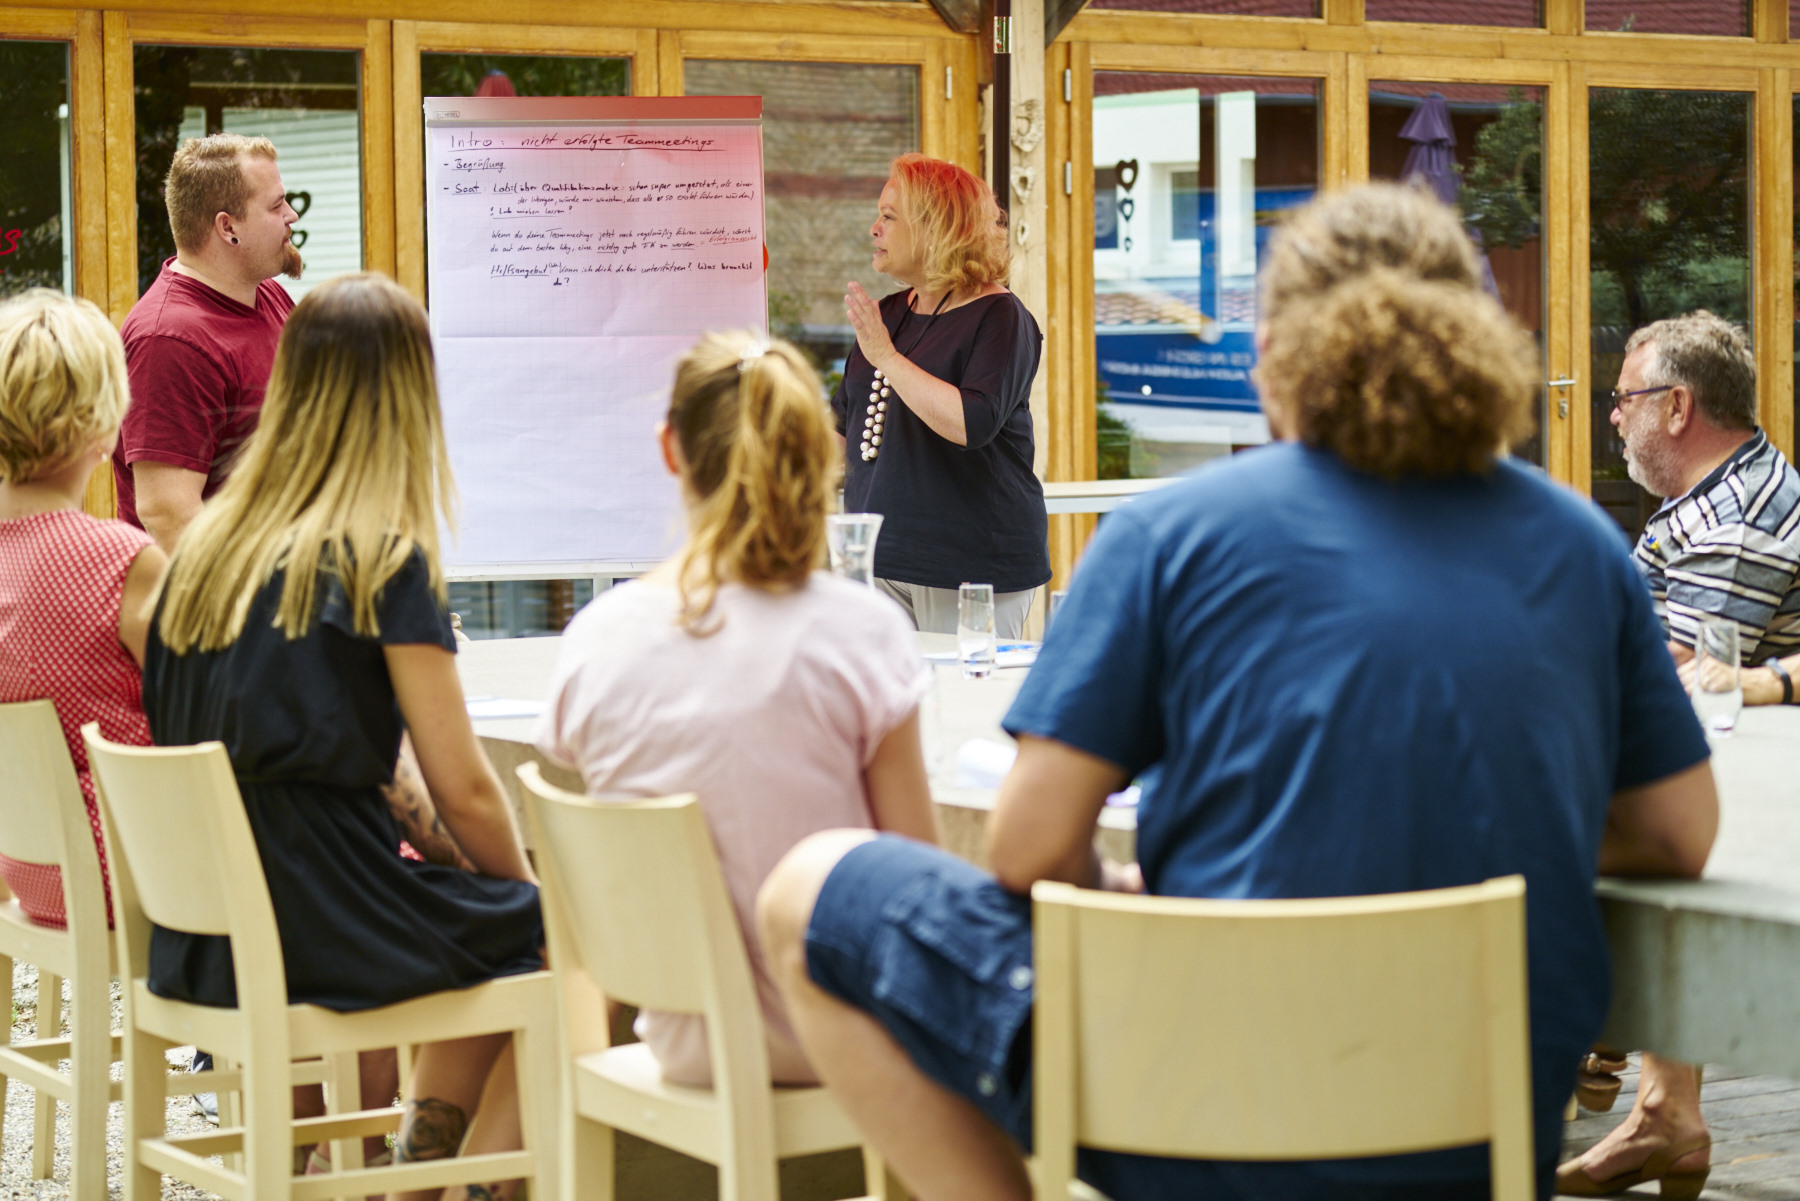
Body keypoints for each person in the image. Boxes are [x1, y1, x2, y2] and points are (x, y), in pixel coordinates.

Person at [756, 182, 1720, 1201]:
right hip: (1471, 1133)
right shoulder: (1579, 547)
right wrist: (1472, 827)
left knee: (809, 888)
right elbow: (1677, 831)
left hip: (1193, 1120)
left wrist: (1153, 880)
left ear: (1280, 354)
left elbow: (1027, 850)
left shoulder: (1166, 540)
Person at [140, 273, 542, 1197]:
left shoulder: (201, 553)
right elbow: (464, 788)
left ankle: (412, 1178)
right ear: (409, 399)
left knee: (504, 926)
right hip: (316, 907)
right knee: (552, 935)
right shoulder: (380, 558)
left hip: (204, 924)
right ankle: (424, 1184)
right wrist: (523, 891)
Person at [536, 330, 937, 1087]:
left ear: (670, 449)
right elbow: (920, 880)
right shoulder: (862, 630)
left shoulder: (598, 640)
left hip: (681, 1044)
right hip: (844, 1041)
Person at [1553, 309, 1800, 1196]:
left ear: (1678, 406)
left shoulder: (1738, 518)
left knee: (1561, 808)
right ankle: (1667, 1110)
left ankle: (1605, 1046)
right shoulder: (1708, 496)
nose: (1612, 416)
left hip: (1756, 778)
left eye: (1624, 400)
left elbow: (1688, 680)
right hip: (1725, 764)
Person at [0, 288, 165, 926]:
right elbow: (211, 711)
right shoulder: (122, 562)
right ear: (103, 426)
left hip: (33, 871)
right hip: (142, 875)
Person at [833, 153, 1050, 637]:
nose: (874, 229)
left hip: (970, 565)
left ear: (936, 229)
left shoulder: (1002, 317)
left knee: (959, 708)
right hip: (879, 563)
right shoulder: (888, 314)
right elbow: (842, 433)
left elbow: (969, 424)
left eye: (889, 217)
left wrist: (887, 358)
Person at [116, 132, 301, 551]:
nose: (291, 215)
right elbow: (169, 515)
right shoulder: (169, 340)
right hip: (224, 609)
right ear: (227, 226)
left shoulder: (267, 295)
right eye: (275, 206)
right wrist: (255, 606)